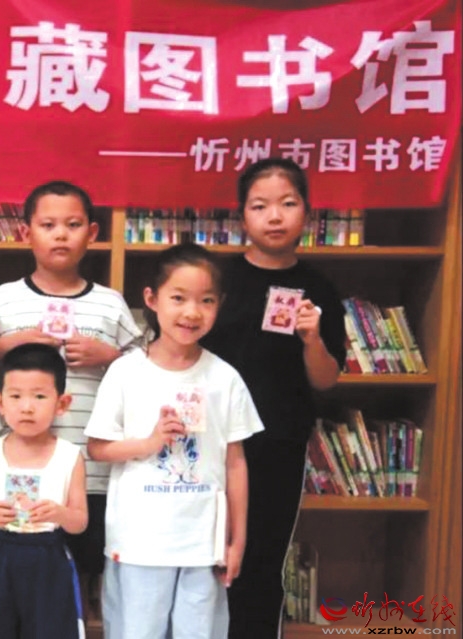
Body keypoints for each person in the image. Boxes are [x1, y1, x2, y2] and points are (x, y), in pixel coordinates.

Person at [0, 181, 140, 613]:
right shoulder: (6, 298)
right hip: (15, 470)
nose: (60, 234)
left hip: (91, 467)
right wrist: (4, 345)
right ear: (26, 233)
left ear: (92, 233)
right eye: (48, 225)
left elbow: (148, 371)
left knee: (77, 580)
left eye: (73, 225)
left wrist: (110, 356)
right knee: (12, 582)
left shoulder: (110, 303)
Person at [200, 158, 346, 639]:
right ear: (242, 216)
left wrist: (312, 339)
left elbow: (326, 380)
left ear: (307, 212)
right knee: (202, 556)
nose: (275, 216)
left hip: (279, 444)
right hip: (211, 442)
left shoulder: (320, 288)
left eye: (288, 203)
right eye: (260, 206)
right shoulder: (217, 281)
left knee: (261, 560)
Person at [86, 243, 263, 639]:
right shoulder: (126, 372)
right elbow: (98, 448)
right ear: (152, 299)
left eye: (206, 301)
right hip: (139, 543)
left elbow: (235, 463)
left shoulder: (225, 378)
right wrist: (148, 443)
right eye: (179, 298)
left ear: (219, 305)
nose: (191, 312)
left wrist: (237, 540)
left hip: (203, 545)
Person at [0, 343, 89, 639]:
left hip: (48, 557)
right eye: (16, 396)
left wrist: (59, 513)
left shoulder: (70, 455)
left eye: (40, 396)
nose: (27, 407)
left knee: (51, 630)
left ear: (62, 403)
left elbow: (79, 521)